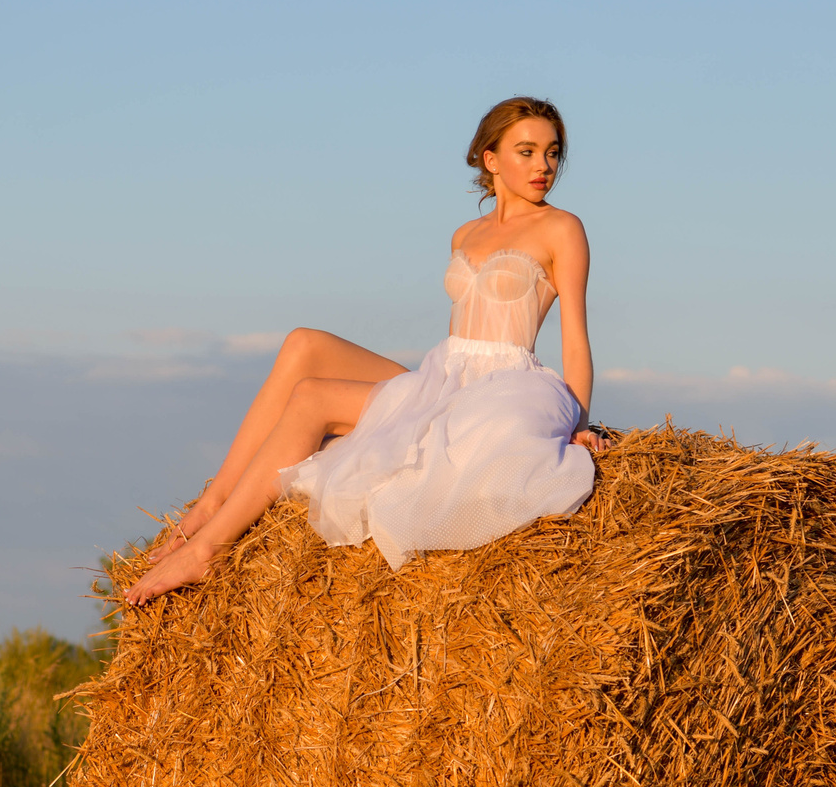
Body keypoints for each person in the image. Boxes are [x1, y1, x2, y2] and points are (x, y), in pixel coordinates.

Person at [119, 97, 607, 606]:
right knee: (303, 344)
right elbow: (459, 334)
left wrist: (580, 420)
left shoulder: (561, 228)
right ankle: (213, 500)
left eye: (552, 153)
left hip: (503, 388)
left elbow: (576, 333)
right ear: (491, 159)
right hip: (444, 374)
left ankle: (206, 550)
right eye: (526, 152)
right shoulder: (466, 234)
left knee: (311, 397)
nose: (543, 167)